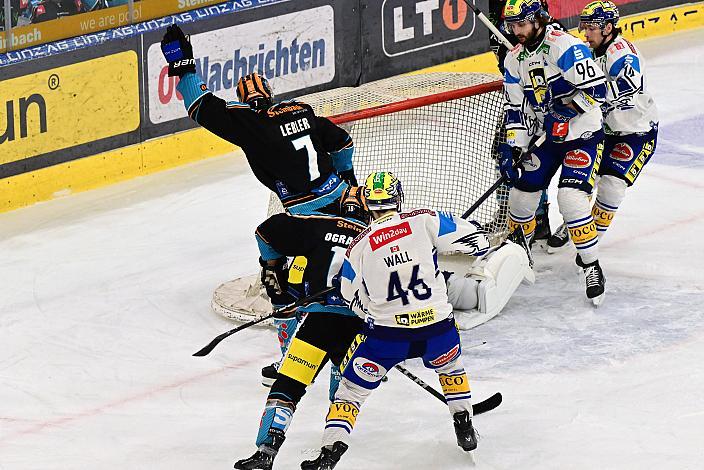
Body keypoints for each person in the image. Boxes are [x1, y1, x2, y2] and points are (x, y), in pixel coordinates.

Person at [161, 24, 358, 379]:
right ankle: (374, 345)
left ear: (244, 100)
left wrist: (182, 64)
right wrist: (348, 183)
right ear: (271, 93)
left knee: (283, 277)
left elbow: (199, 105)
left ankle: (292, 358)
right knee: (351, 278)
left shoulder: (251, 124)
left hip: (305, 219)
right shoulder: (302, 110)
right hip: (345, 207)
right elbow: (343, 143)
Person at [301, 172, 533, 469]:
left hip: (387, 337)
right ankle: (463, 422)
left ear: (368, 205)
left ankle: (329, 452)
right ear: (398, 197)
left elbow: (350, 295)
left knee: (351, 392)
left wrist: (373, 313)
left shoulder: (357, 247)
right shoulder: (424, 219)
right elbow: (473, 238)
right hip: (437, 328)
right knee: (451, 369)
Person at [234, 187, 369, 470]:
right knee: (347, 392)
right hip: (356, 327)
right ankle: (329, 455)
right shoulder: (378, 239)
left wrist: (272, 267)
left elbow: (265, 231)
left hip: (317, 323)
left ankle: (265, 452)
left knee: (288, 385)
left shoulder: (319, 225)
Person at [498, 0, 608, 305]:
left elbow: (599, 90)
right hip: (547, 139)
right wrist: (513, 147)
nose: (516, 31)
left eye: (521, 24)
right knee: (521, 195)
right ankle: (519, 252)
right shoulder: (513, 59)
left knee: (571, 199)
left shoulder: (566, 47)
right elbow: (515, 109)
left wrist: (568, 109)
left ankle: (591, 265)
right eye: (512, 25)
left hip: (582, 135)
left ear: (538, 20)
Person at [547, 1, 658, 250]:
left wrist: (585, 97)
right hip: (604, 129)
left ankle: (591, 243)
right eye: (584, 27)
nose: (585, 34)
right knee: (583, 180)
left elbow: (626, 88)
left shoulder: (622, 53)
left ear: (608, 27)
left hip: (635, 132)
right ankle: (575, 222)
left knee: (611, 186)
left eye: (591, 28)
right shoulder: (590, 51)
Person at [486, 0, 566, 246]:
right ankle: (508, 213)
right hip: (521, 99)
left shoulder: (547, 28)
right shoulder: (498, 25)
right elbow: (507, 67)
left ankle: (541, 220)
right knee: (504, 152)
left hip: (550, 105)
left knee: (536, 161)